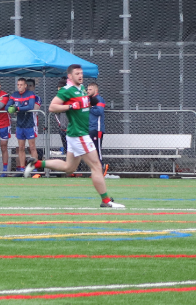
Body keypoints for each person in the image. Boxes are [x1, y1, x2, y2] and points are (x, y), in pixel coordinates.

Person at [25, 65, 123, 208]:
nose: (80, 75)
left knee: (69, 167)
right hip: (79, 134)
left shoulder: (81, 88)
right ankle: (106, 201)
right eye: (77, 73)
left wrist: (89, 102)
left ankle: (37, 163)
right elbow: (52, 107)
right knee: (96, 166)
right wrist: (70, 107)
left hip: (76, 133)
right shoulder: (66, 90)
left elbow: (83, 105)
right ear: (70, 76)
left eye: (81, 73)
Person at [10, 78, 41, 171]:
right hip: (20, 124)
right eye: (18, 85)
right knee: (21, 147)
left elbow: (33, 108)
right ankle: (22, 168)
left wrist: (18, 108)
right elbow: (10, 107)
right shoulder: (16, 95)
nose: (19, 86)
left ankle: (34, 167)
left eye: (31, 86)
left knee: (32, 147)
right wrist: (16, 108)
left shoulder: (35, 96)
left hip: (31, 124)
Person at [87, 82, 106, 165]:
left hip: (96, 129)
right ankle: (95, 170)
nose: (88, 91)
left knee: (97, 150)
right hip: (90, 129)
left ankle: (101, 167)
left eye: (90, 89)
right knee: (91, 151)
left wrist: (90, 108)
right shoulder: (88, 99)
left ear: (96, 90)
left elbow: (99, 111)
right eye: (87, 89)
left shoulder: (99, 99)